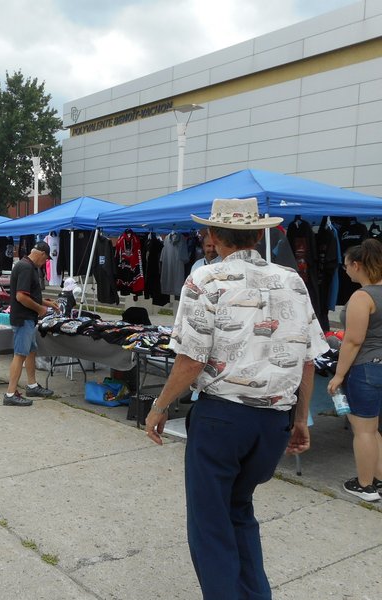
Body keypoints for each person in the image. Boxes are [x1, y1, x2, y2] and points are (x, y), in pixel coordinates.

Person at [144, 198, 329, 600]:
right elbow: (308, 360)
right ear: (258, 233)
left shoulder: (206, 280)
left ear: (213, 235)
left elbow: (191, 361)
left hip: (223, 419)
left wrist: (159, 407)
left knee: (210, 524)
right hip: (273, 422)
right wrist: (300, 419)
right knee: (240, 510)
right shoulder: (291, 280)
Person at [327, 238, 382, 501]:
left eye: (346, 265)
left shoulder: (363, 296)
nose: (345, 269)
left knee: (363, 430)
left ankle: (365, 485)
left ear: (357, 265)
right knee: (374, 429)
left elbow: (353, 339)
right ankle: (377, 478)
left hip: (366, 368)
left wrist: (339, 374)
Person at [3, 241, 58, 406]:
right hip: (23, 318)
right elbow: (21, 297)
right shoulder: (26, 268)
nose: (45, 263)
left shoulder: (26, 265)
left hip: (27, 318)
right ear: (41, 254)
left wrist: (47, 303)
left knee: (31, 351)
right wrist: (40, 309)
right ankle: (10, 393)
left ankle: (32, 385)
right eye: (46, 259)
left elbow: (30, 294)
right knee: (20, 355)